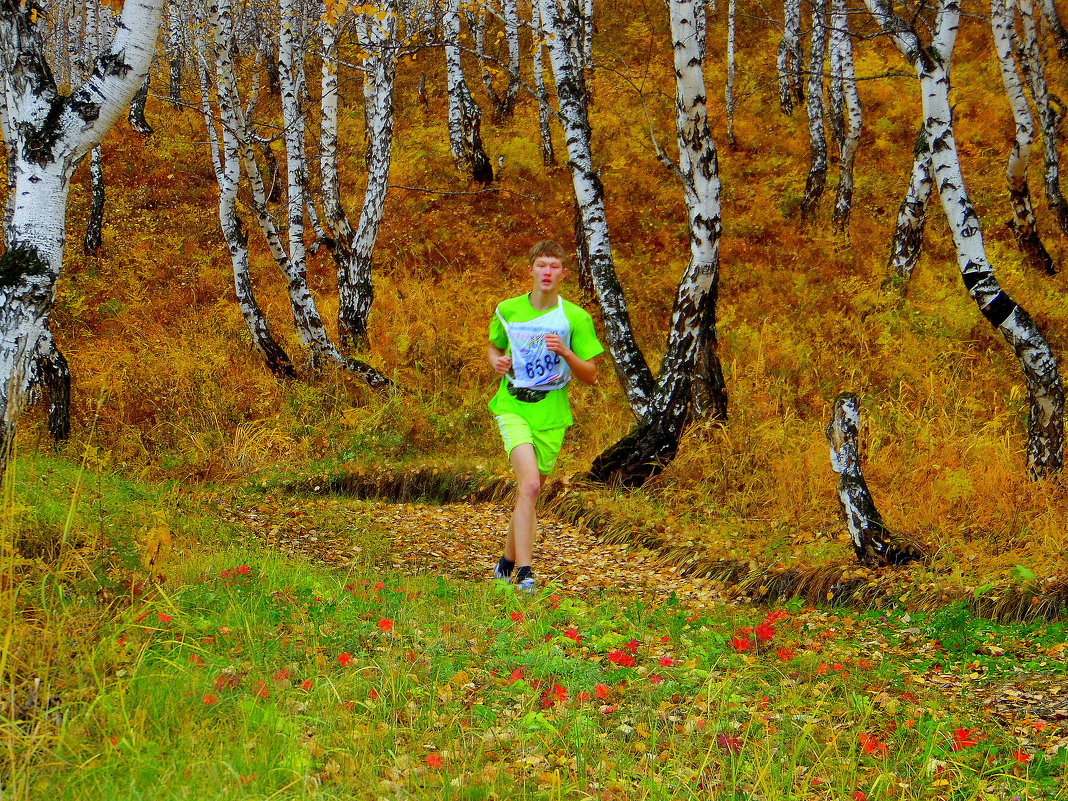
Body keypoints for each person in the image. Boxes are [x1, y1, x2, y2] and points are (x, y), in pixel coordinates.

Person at [487, 239, 604, 592]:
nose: (547, 272)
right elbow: (494, 346)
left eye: (554, 267)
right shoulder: (507, 310)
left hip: (551, 412)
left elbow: (591, 373)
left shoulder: (576, 318)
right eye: (542, 266)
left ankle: (506, 562)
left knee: (529, 491)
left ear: (563, 274)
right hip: (512, 405)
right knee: (532, 485)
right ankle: (525, 573)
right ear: (531, 271)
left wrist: (566, 352)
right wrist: (497, 361)